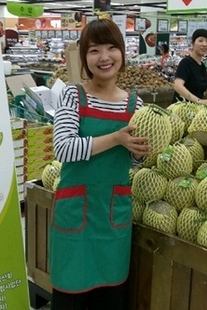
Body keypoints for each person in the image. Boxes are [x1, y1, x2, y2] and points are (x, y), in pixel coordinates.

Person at [50, 19, 151, 310]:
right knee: (71, 295)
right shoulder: (73, 95)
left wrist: (142, 151)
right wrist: (117, 138)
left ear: (122, 53)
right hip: (75, 213)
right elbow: (64, 148)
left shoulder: (136, 106)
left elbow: (134, 161)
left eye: (111, 48)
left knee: (110, 298)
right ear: (85, 58)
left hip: (112, 214)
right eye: (94, 50)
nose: (104, 57)